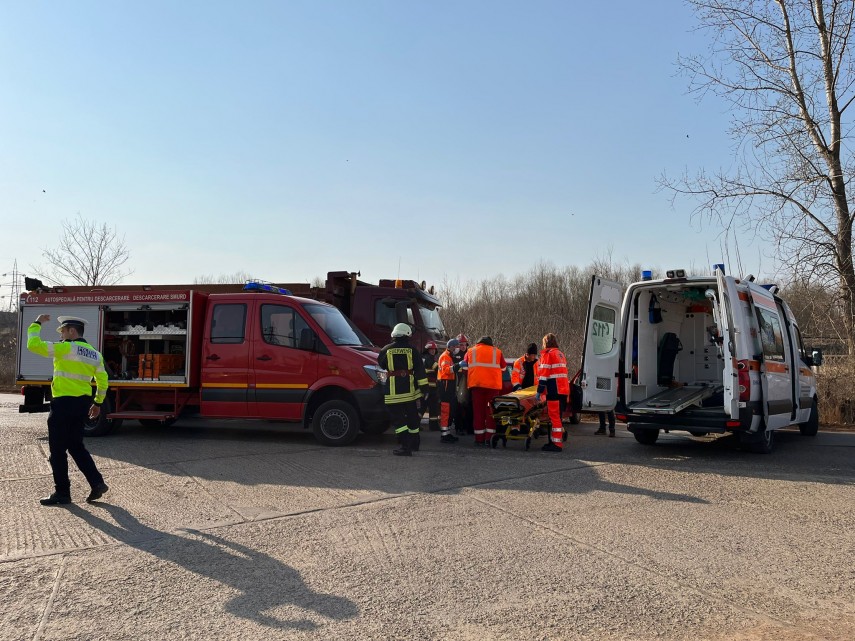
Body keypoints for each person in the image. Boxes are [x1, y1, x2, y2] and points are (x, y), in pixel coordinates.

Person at [27, 314, 110, 505]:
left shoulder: (66, 348)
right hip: (82, 405)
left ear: (72, 331)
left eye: (63, 331)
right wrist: (97, 403)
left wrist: (36, 323)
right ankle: (97, 483)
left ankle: (62, 493)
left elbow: (33, 345)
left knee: (57, 451)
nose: (61, 336)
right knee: (76, 446)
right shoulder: (95, 354)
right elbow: (103, 382)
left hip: (63, 404)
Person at [378, 323, 429, 456]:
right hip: (410, 392)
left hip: (393, 392)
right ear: (407, 335)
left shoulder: (386, 349)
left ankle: (405, 447)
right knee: (412, 417)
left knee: (399, 420)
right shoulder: (413, 350)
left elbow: (381, 364)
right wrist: (424, 388)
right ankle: (414, 444)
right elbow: (420, 371)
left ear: (394, 334)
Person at [463, 336, 507, 445]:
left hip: (477, 387)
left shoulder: (470, 351)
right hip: (492, 388)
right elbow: (504, 369)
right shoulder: (497, 352)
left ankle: (479, 439)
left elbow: (464, 368)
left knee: (478, 413)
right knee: (491, 413)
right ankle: (489, 438)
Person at [536, 333, 570, 452]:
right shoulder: (560, 354)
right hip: (563, 390)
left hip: (554, 390)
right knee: (558, 418)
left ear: (546, 343)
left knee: (554, 418)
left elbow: (544, 375)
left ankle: (556, 444)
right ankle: (555, 441)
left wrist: (539, 391)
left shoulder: (548, 354)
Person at [436, 339, 460, 444]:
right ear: (450, 346)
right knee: (446, 410)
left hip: (449, 385)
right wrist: (457, 366)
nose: (456, 348)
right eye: (455, 346)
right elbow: (446, 370)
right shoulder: (445, 356)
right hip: (445, 385)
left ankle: (447, 432)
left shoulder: (449, 356)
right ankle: (444, 434)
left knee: (451, 410)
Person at [453, 333, 473, 435]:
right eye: (461, 344)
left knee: (468, 405)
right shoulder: (454, 355)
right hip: (458, 383)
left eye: (464, 344)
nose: (463, 346)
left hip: (469, 382)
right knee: (459, 405)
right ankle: (458, 427)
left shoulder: (470, 354)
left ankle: (467, 426)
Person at [421, 341, 441, 431]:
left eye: (434, 349)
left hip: (425, 387)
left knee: (423, 406)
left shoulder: (424, 358)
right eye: (431, 349)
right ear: (427, 350)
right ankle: (433, 426)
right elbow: (436, 368)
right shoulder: (429, 359)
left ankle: (415, 424)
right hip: (431, 388)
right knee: (433, 407)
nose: (433, 351)